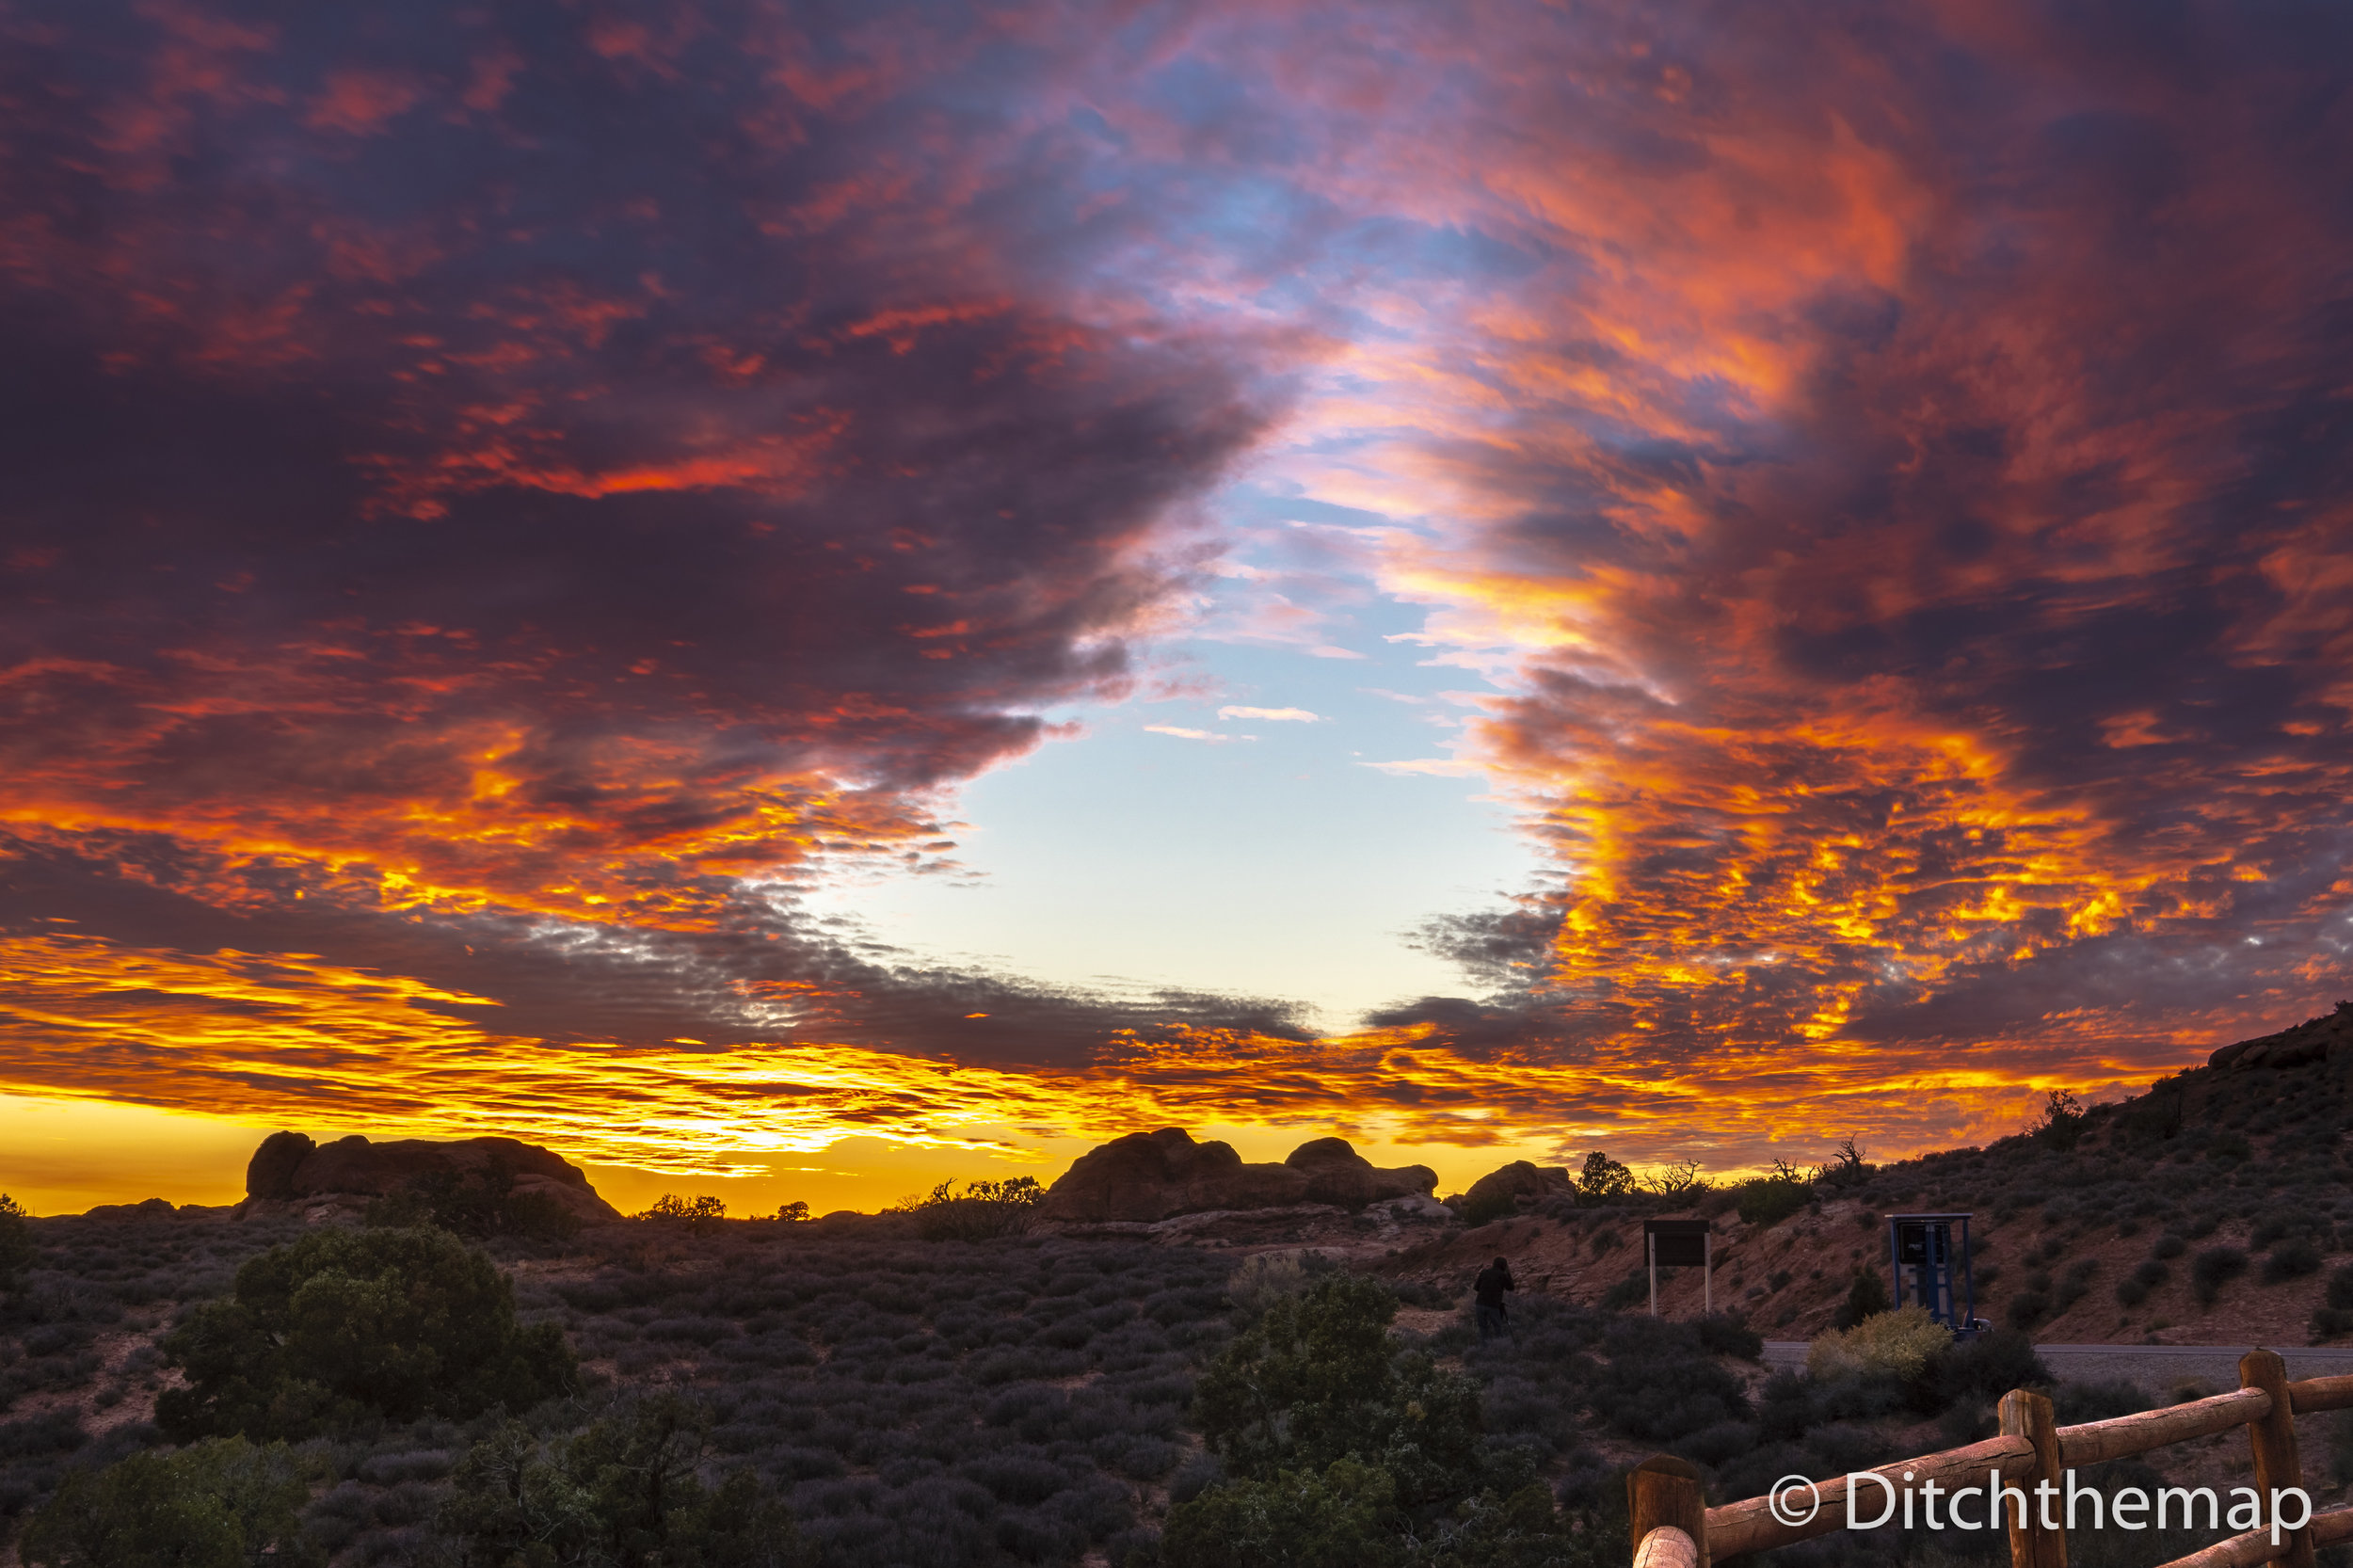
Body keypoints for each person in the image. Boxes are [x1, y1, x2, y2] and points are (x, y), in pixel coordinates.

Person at [1473, 1255, 1514, 1341]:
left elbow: (1476, 1288)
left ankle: (1485, 1350)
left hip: (1479, 1304)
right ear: (1504, 1265)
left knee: (1483, 1328)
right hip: (1493, 1306)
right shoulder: (1502, 1275)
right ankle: (1498, 1348)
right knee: (1498, 1328)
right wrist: (1508, 1273)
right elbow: (1511, 1288)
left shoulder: (1484, 1272)